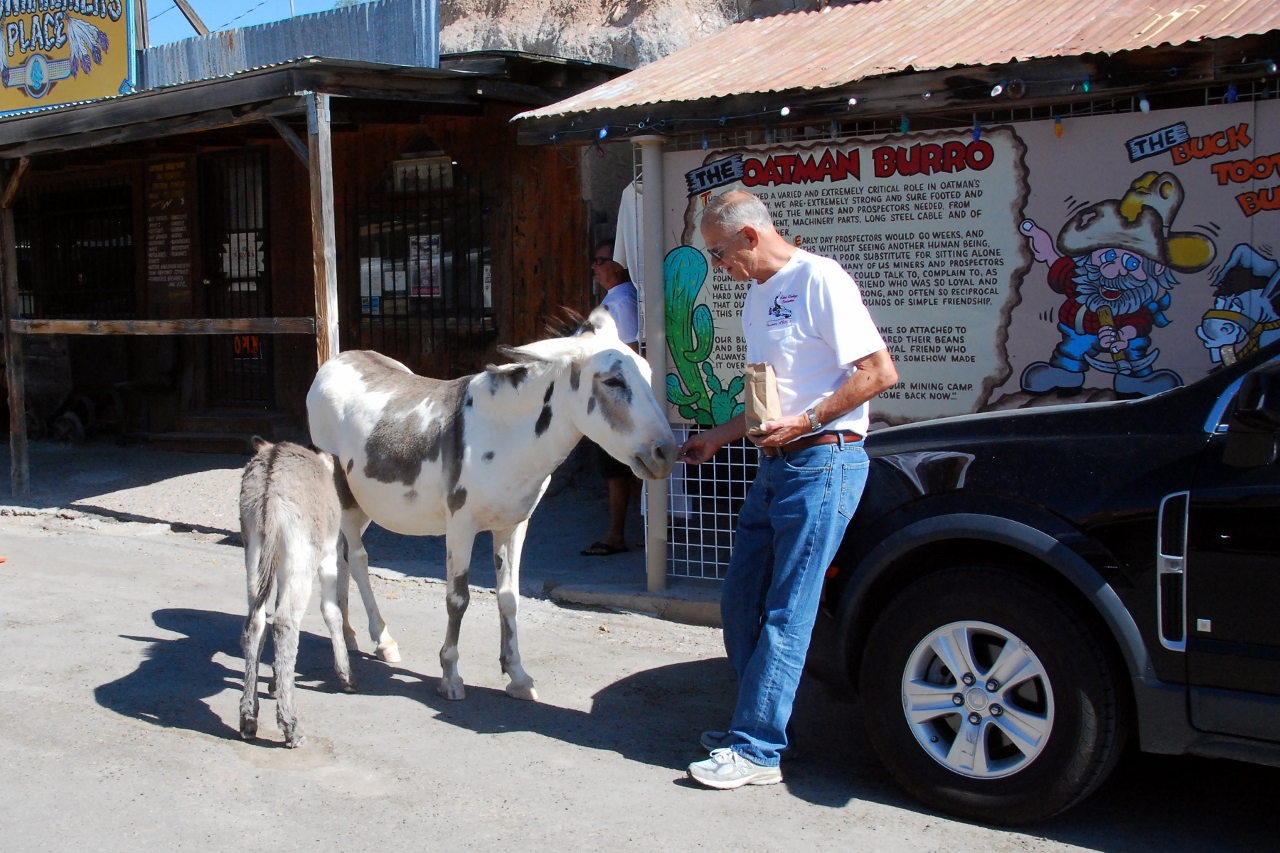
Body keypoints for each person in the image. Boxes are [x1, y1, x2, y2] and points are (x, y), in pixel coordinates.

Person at [679, 190, 898, 789]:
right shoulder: (757, 293)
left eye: (719, 253)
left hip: (822, 462)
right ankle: (762, 727)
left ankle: (757, 749)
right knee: (740, 601)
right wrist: (719, 436)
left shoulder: (821, 279)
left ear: (750, 237)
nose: (718, 266)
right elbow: (772, 399)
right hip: (776, 465)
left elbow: (879, 372)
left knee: (787, 608)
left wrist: (805, 423)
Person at [580, 241, 641, 557]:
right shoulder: (615, 298)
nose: (595, 266)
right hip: (609, 392)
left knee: (616, 467)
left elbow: (631, 350)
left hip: (616, 395)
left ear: (618, 265)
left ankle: (617, 533)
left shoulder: (622, 301)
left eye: (600, 260)